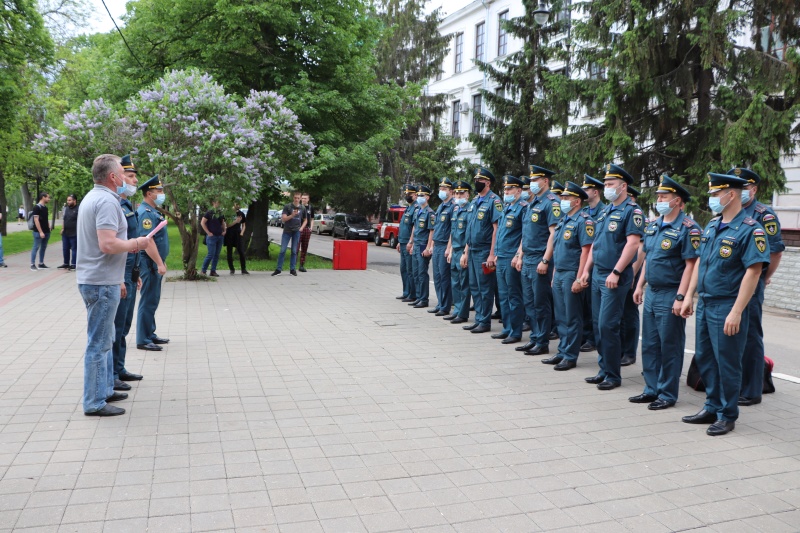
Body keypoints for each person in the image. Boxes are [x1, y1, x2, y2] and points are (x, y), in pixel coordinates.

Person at [680, 172, 770, 436]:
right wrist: (689, 295)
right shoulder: (712, 225)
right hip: (707, 303)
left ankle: (728, 414)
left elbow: (753, 272)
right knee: (707, 358)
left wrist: (736, 311)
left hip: (727, 305)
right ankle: (712, 406)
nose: (712, 199)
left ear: (731, 194)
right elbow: (700, 262)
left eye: (716, 193)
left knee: (728, 362)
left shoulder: (751, 229)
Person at [78, 154, 155, 416]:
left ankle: (104, 389)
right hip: (100, 282)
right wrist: (138, 244)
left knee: (105, 339)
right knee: (99, 344)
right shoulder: (107, 201)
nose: (126, 178)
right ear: (112, 177)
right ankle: (94, 402)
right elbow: (108, 244)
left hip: (100, 279)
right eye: (123, 173)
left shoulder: (95, 197)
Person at [630, 175, 699, 409]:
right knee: (649, 344)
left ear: (677, 200)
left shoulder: (688, 228)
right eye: (658, 196)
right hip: (652, 293)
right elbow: (648, 258)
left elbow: (691, 265)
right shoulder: (654, 225)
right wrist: (640, 285)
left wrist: (682, 297)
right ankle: (651, 389)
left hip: (671, 293)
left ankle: (668, 394)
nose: (659, 199)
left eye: (664, 196)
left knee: (669, 345)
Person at [579, 164, 644, 391]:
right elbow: (596, 244)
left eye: (610, 184)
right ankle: (603, 369)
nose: (606, 188)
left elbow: (633, 243)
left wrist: (616, 271)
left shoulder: (632, 211)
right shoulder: (606, 211)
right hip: (597, 273)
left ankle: (613, 375)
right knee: (599, 325)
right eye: (605, 184)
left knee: (608, 325)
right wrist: (587, 269)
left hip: (614, 276)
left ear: (623, 186)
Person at [113, 155, 166, 389]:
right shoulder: (119, 205)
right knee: (117, 327)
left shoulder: (126, 205)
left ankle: (118, 369)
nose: (135, 181)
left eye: (135, 177)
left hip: (131, 271)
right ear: (117, 176)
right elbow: (140, 241)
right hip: (126, 272)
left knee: (124, 324)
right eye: (131, 176)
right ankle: (113, 373)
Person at [736, 167, 785, 407]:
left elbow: (775, 252)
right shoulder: (728, 212)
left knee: (750, 335)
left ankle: (753, 389)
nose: (738, 192)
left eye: (743, 187)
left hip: (752, 282)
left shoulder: (764, 214)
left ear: (753, 189)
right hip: (728, 284)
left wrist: (765, 277)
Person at [544, 182, 595, 370]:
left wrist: (580, 277)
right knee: (561, 315)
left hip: (573, 273)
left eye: (566, 198)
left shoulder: (584, 221)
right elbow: (558, 249)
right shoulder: (563, 221)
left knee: (572, 316)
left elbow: (586, 250)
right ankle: (562, 351)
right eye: (562, 197)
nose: (562, 201)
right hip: (560, 273)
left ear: (577, 201)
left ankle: (571, 355)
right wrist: (555, 272)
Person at [516, 165, 561, 355]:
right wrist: (520, 255)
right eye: (531, 181)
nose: (532, 184)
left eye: (536, 180)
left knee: (541, 302)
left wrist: (545, 260)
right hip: (528, 258)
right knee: (530, 302)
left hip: (540, 259)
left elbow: (553, 234)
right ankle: (535, 337)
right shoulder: (532, 203)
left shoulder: (551, 202)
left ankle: (542, 341)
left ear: (545, 181)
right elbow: (526, 234)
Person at [462, 167, 503, 334]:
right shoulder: (474, 202)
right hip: (472, 250)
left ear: (488, 182)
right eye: (475, 180)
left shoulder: (494, 201)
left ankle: (485, 321)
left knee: (485, 288)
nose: (476, 183)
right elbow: (470, 228)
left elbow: (496, 229)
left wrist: (492, 254)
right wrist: (466, 251)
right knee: (474, 286)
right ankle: (479, 318)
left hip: (485, 251)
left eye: (480, 180)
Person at [136, 176, 171, 351]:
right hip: (149, 262)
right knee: (148, 299)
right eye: (159, 191)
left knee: (153, 299)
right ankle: (143, 338)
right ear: (149, 193)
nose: (162, 194)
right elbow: (146, 241)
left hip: (154, 262)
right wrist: (159, 263)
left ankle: (150, 333)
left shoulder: (153, 211)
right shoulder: (146, 213)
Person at [493, 175, 526, 344]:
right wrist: (496, 253)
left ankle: (515, 331)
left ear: (519, 190)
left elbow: (524, 234)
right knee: (503, 295)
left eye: (509, 189)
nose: (506, 191)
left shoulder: (523, 207)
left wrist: (519, 254)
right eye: (505, 189)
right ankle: (507, 328)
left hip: (512, 257)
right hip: (502, 256)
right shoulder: (507, 207)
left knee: (514, 296)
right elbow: (501, 233)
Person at [579, 174, 605, 353]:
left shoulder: (604, 212)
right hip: (585, 263)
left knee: (592, 306)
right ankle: (585, 334)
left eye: (586, 190)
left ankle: (593, 338)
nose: (583, 192)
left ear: (595, 192)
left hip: (598, 265)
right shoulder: (584, 212)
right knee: (583, 304)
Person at [620, 185, 644, 366]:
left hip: (631, 270)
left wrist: (633, 275)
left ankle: (629, 351)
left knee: (629, 312)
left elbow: (640, 248)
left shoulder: (635, 214)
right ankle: (620, 348)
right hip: (619, 269)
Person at [445, 180, 472, 324]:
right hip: (454, 250)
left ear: (467, 195)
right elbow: (452, 231)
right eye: (456, 193)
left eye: (461, 193)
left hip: (462, 250)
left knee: (463, 283)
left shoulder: (470, 210)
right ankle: (456, 310)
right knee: (455, 282)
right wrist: (449, 249)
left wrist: (465, 253)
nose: (458, 195)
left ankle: (463, 313)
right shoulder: (455, 209)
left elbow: (469, 233)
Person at [430, 178, 455, 316]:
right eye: (440, 189)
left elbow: (452, 229)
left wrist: (449, 248)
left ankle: (445, 306)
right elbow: (436, 227)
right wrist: (432, 245)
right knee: (437, 277)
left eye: (444, 189)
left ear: (451, 191)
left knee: (445, 277)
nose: (441, 191)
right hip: (437, 244)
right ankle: (440, 303)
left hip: (445, 244)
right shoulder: (441, 206)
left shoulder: (452, 206)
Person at [408, 185, 435, 308]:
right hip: (416, 244)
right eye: (418, 195)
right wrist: (412, 243)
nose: (419, 197)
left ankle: (424, 299)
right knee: (416, 272)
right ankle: (418, 297)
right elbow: (414, 227)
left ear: (427, 197)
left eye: (422, 195)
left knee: (422, 273)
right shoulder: (417, 210)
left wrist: (428, 247)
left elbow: (431, 231)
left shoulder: (430, 213)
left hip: (423, 245)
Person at [272, 191, 305, 276]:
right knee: (282, 250)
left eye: (298, 198)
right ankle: (278, 269)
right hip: (287, 231)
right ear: (293, 198)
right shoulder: (288, 206)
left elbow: (306, 219)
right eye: (295, 198)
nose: (296, 199)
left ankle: (292, 269)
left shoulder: (302, 208)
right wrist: (292, 215)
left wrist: (301, 228)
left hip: (296, 231)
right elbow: (284, 219)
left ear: (300, 198)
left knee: (294, 251)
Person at [397, 184, 418, 302]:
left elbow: (414, 228)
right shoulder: (407, 208)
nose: (407, 196)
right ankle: (406, 292)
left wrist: (411, 242)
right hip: (403, 242)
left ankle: (412, 294)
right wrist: (400, 242)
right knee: (403, 269)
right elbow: (403, 227)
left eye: (409, 194)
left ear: (415, 195)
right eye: (406, 194)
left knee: (410, 270)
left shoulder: (415, 209)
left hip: (409, 243)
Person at [201, 201, 226, 277]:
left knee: (216, 255)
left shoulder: (220, 212)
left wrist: (224, 230)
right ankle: (203, 270)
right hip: (212, 236)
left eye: (219, 202)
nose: (218, 204)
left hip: (220, 236)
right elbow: (202, 223)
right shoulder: (209, 212)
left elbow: (223, 222)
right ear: (213, 203)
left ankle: (213, 270)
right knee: (210, 254)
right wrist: (208, 232)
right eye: (216, 202)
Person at [30, 192, 52, 270]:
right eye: (48, 197)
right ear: (43, 197)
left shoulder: (45, 208)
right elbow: (36, 220)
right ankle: (32, 264)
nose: (49, 199)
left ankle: (41, 263)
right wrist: (40, 232)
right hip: (38, 232)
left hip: (46, 231)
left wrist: (49, 227)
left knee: (43, 247)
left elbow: (46, 219)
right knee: (36, 247)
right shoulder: (36, 207)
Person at [226, 203, 248, 275]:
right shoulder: (229, 213)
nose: (239, 205)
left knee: (241, 251)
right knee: (229, 251)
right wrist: (235, 221)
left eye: (240, 204)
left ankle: (243, 269)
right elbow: (227, 225)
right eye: (237, 204)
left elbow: (244, 225)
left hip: (238, 234)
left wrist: (242, 232)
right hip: (229, 233)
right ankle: (231, 269)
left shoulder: (241, 213)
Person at [59, 194, 79, 270]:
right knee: (65, 248)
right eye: (67, 200)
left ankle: (74, 264)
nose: (68, 202)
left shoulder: (78, 209)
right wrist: (62, 228)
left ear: (74, 200)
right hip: (66, 233)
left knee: (74, 249)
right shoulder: (66, 209)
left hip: (74, 232)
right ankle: (66, 263)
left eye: (70, 200)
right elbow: (64, 219)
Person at [298, 193, 314, 272]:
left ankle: (301, 265)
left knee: (304, 247)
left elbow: (312, 219)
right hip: (298, 229)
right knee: (296, 247)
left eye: (305, 198)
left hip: (307, 229)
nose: (303, 200)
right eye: (302, 198)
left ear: (308, 199)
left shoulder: (310, 208)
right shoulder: (298, 207)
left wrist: (311, 228)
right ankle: (292, 266)